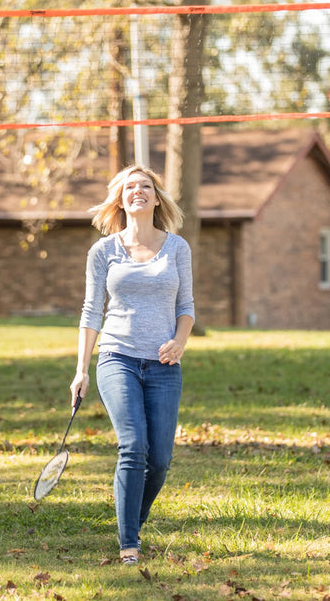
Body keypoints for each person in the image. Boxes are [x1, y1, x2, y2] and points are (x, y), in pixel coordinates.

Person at [69, 164, 195, 565]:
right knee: (133, 446)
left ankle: (132, 523)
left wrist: (180, 341)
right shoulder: (103, 251)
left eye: (145, 186)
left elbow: (186, 306)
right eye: (129, 187)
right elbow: (91, 312)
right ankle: (129, 544)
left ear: (156, 199)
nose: (137, 191)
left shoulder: (177, 248)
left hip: (163, 364)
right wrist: (81, 370)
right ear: (120, 200)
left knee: (159, 460)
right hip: (117, 357)